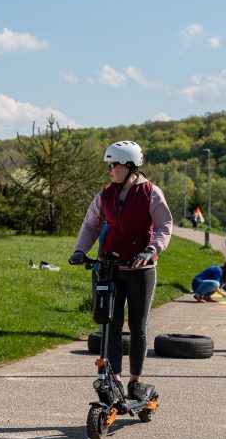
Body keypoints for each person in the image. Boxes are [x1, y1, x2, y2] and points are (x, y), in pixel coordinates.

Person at [69, 141, 173, 400]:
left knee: (137, 326)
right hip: (110, 268)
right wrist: (80, 251)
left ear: (129, 166)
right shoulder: (105, 194)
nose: (109, 170)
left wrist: (151, 249)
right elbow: (91, 225)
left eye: (113, 165)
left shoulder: (150, 192)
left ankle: (135, 382)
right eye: (108, 165)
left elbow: (164, 226)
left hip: (141, 269)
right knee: (110, 325)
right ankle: (114, 379)